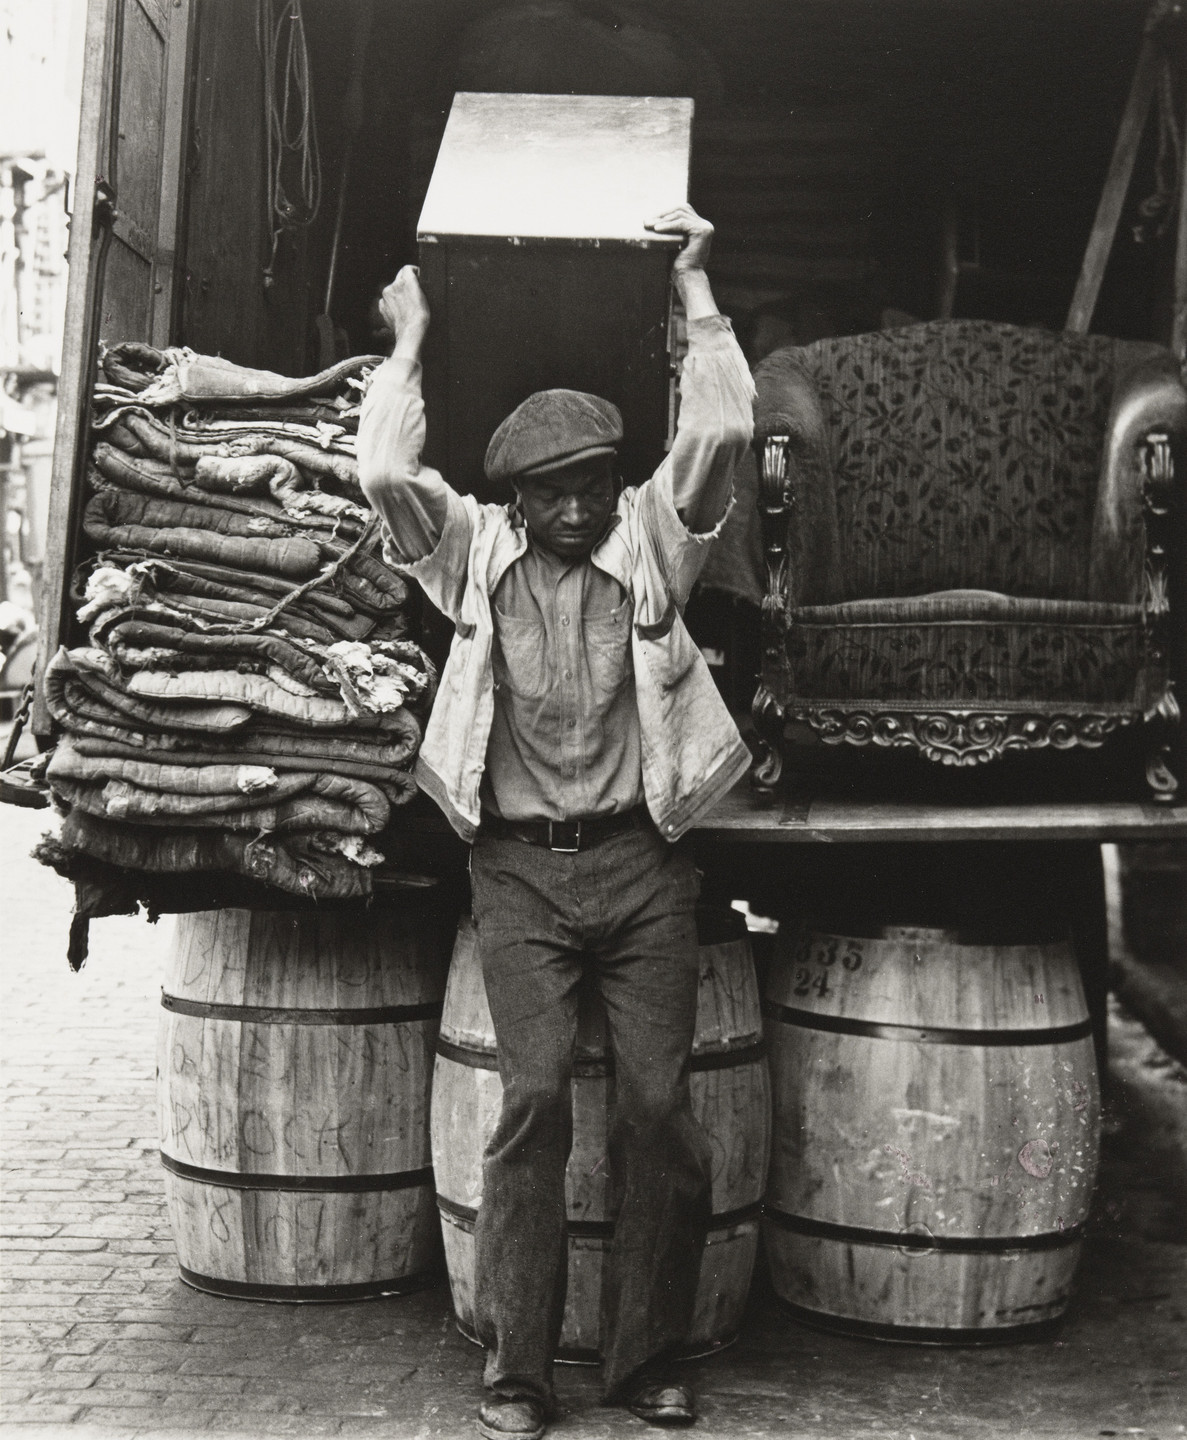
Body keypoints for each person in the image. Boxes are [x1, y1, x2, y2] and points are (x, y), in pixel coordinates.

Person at [358, 204, 754, 1440]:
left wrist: (693, 287)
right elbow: (380, 473)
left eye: (591, 486)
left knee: (654, 1112)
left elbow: (726, 425)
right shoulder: (469, 557)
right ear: (512, 499)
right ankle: (517, 1372)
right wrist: (410, 341)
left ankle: (644, 1365)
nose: (577, 511)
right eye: (552, 495)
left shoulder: (649, 544)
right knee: (531, 1101)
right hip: (519, 876)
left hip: (642, 870)